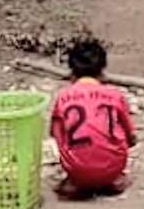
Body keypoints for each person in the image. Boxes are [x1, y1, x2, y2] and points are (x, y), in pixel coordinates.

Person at [50, 39, 137, 198]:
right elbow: (131, 137)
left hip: (77, 169)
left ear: (72, 72)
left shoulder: (62, 97)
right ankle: (110, 178)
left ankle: (79, 179)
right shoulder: (115, 96)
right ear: (102, 71)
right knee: (115, 171)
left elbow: (56, 135)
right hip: (112, 168)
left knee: (71, 176)